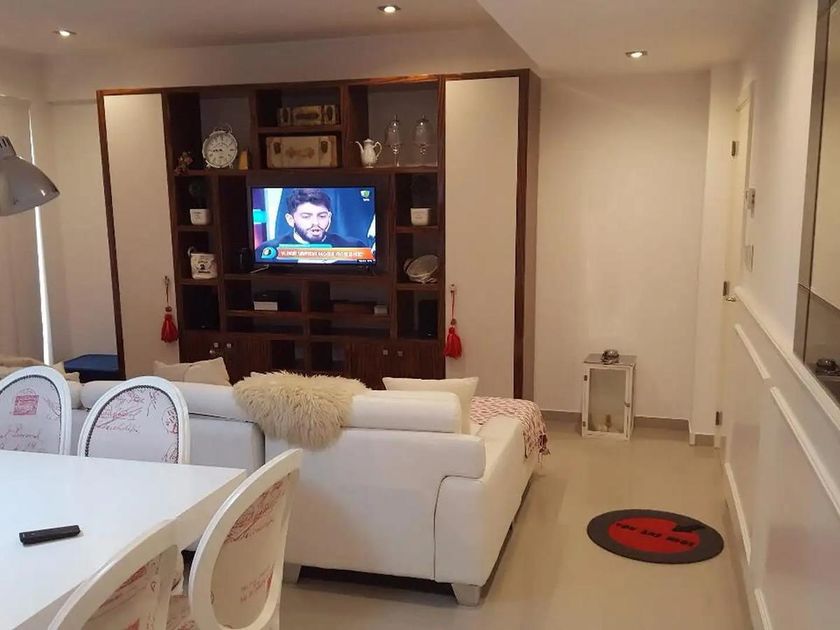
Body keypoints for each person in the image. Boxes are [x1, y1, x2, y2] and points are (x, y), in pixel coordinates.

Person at [259, 188, 366, 249]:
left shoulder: (354, 247)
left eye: (322, 216)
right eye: (306, 217)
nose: (315, 223)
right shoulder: (268, 250)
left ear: (329, 217)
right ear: (290, 220)